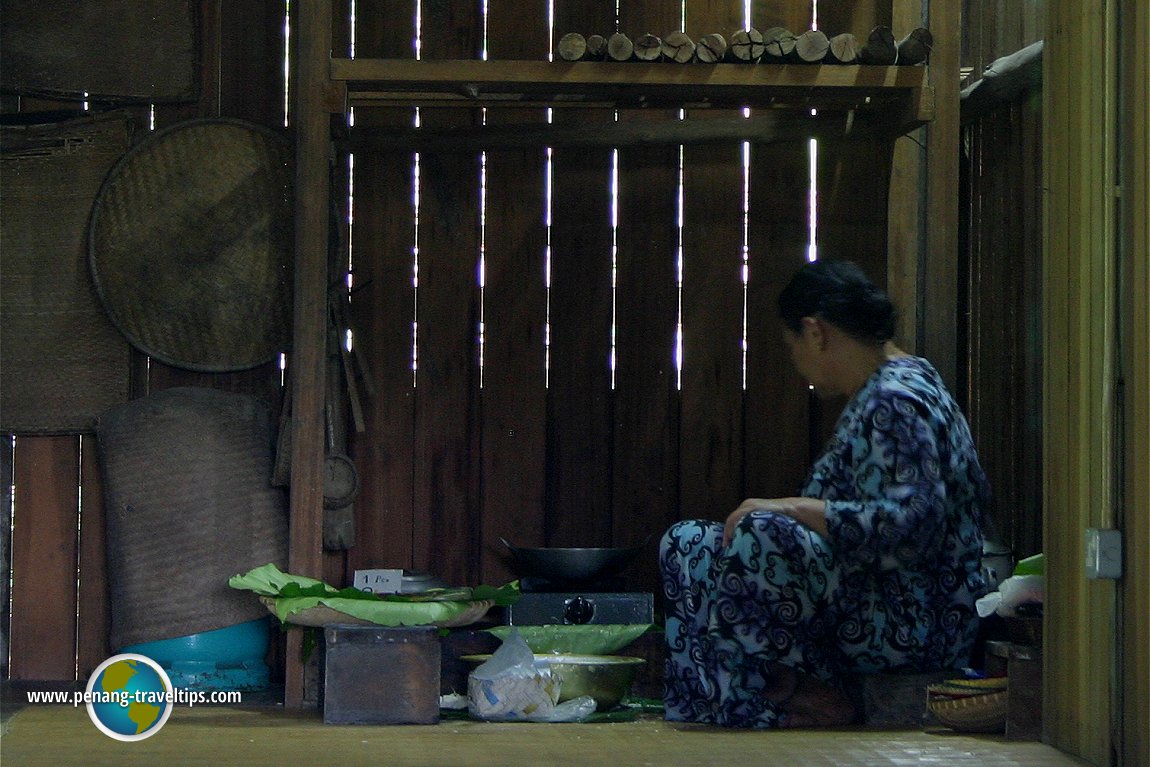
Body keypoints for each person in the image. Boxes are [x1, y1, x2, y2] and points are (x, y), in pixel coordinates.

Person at [659, 259, 990, 728]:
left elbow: (914, 525)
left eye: (792, 343)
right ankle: (725, 703)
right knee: (689, 542)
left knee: (761, 532)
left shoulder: (895, 398)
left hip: (912, 618)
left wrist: (792, 508)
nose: (796, 360)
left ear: (815, 332)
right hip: (868, 598)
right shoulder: (881, 390)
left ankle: (804, 692)